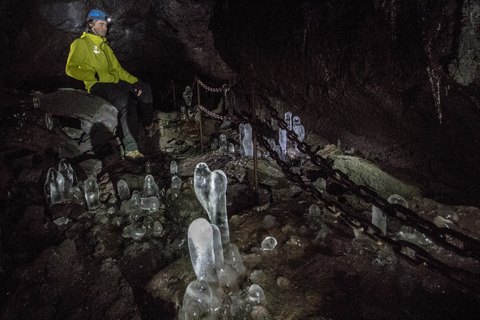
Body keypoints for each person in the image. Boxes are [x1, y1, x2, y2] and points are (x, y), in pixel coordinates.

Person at [66, 9, 153, 159]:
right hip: (97, 86)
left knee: (144, 89)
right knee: (127, 100)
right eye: (101, 25)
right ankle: (131, 149)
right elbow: (70, 69)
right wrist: (93, 75)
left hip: (115, 83)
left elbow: (118, 70)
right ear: (91, 24)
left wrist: (135, 81)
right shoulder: (80, 43)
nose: (104, 28)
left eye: (105, 25)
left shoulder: (106, 47)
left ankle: (148, 126)